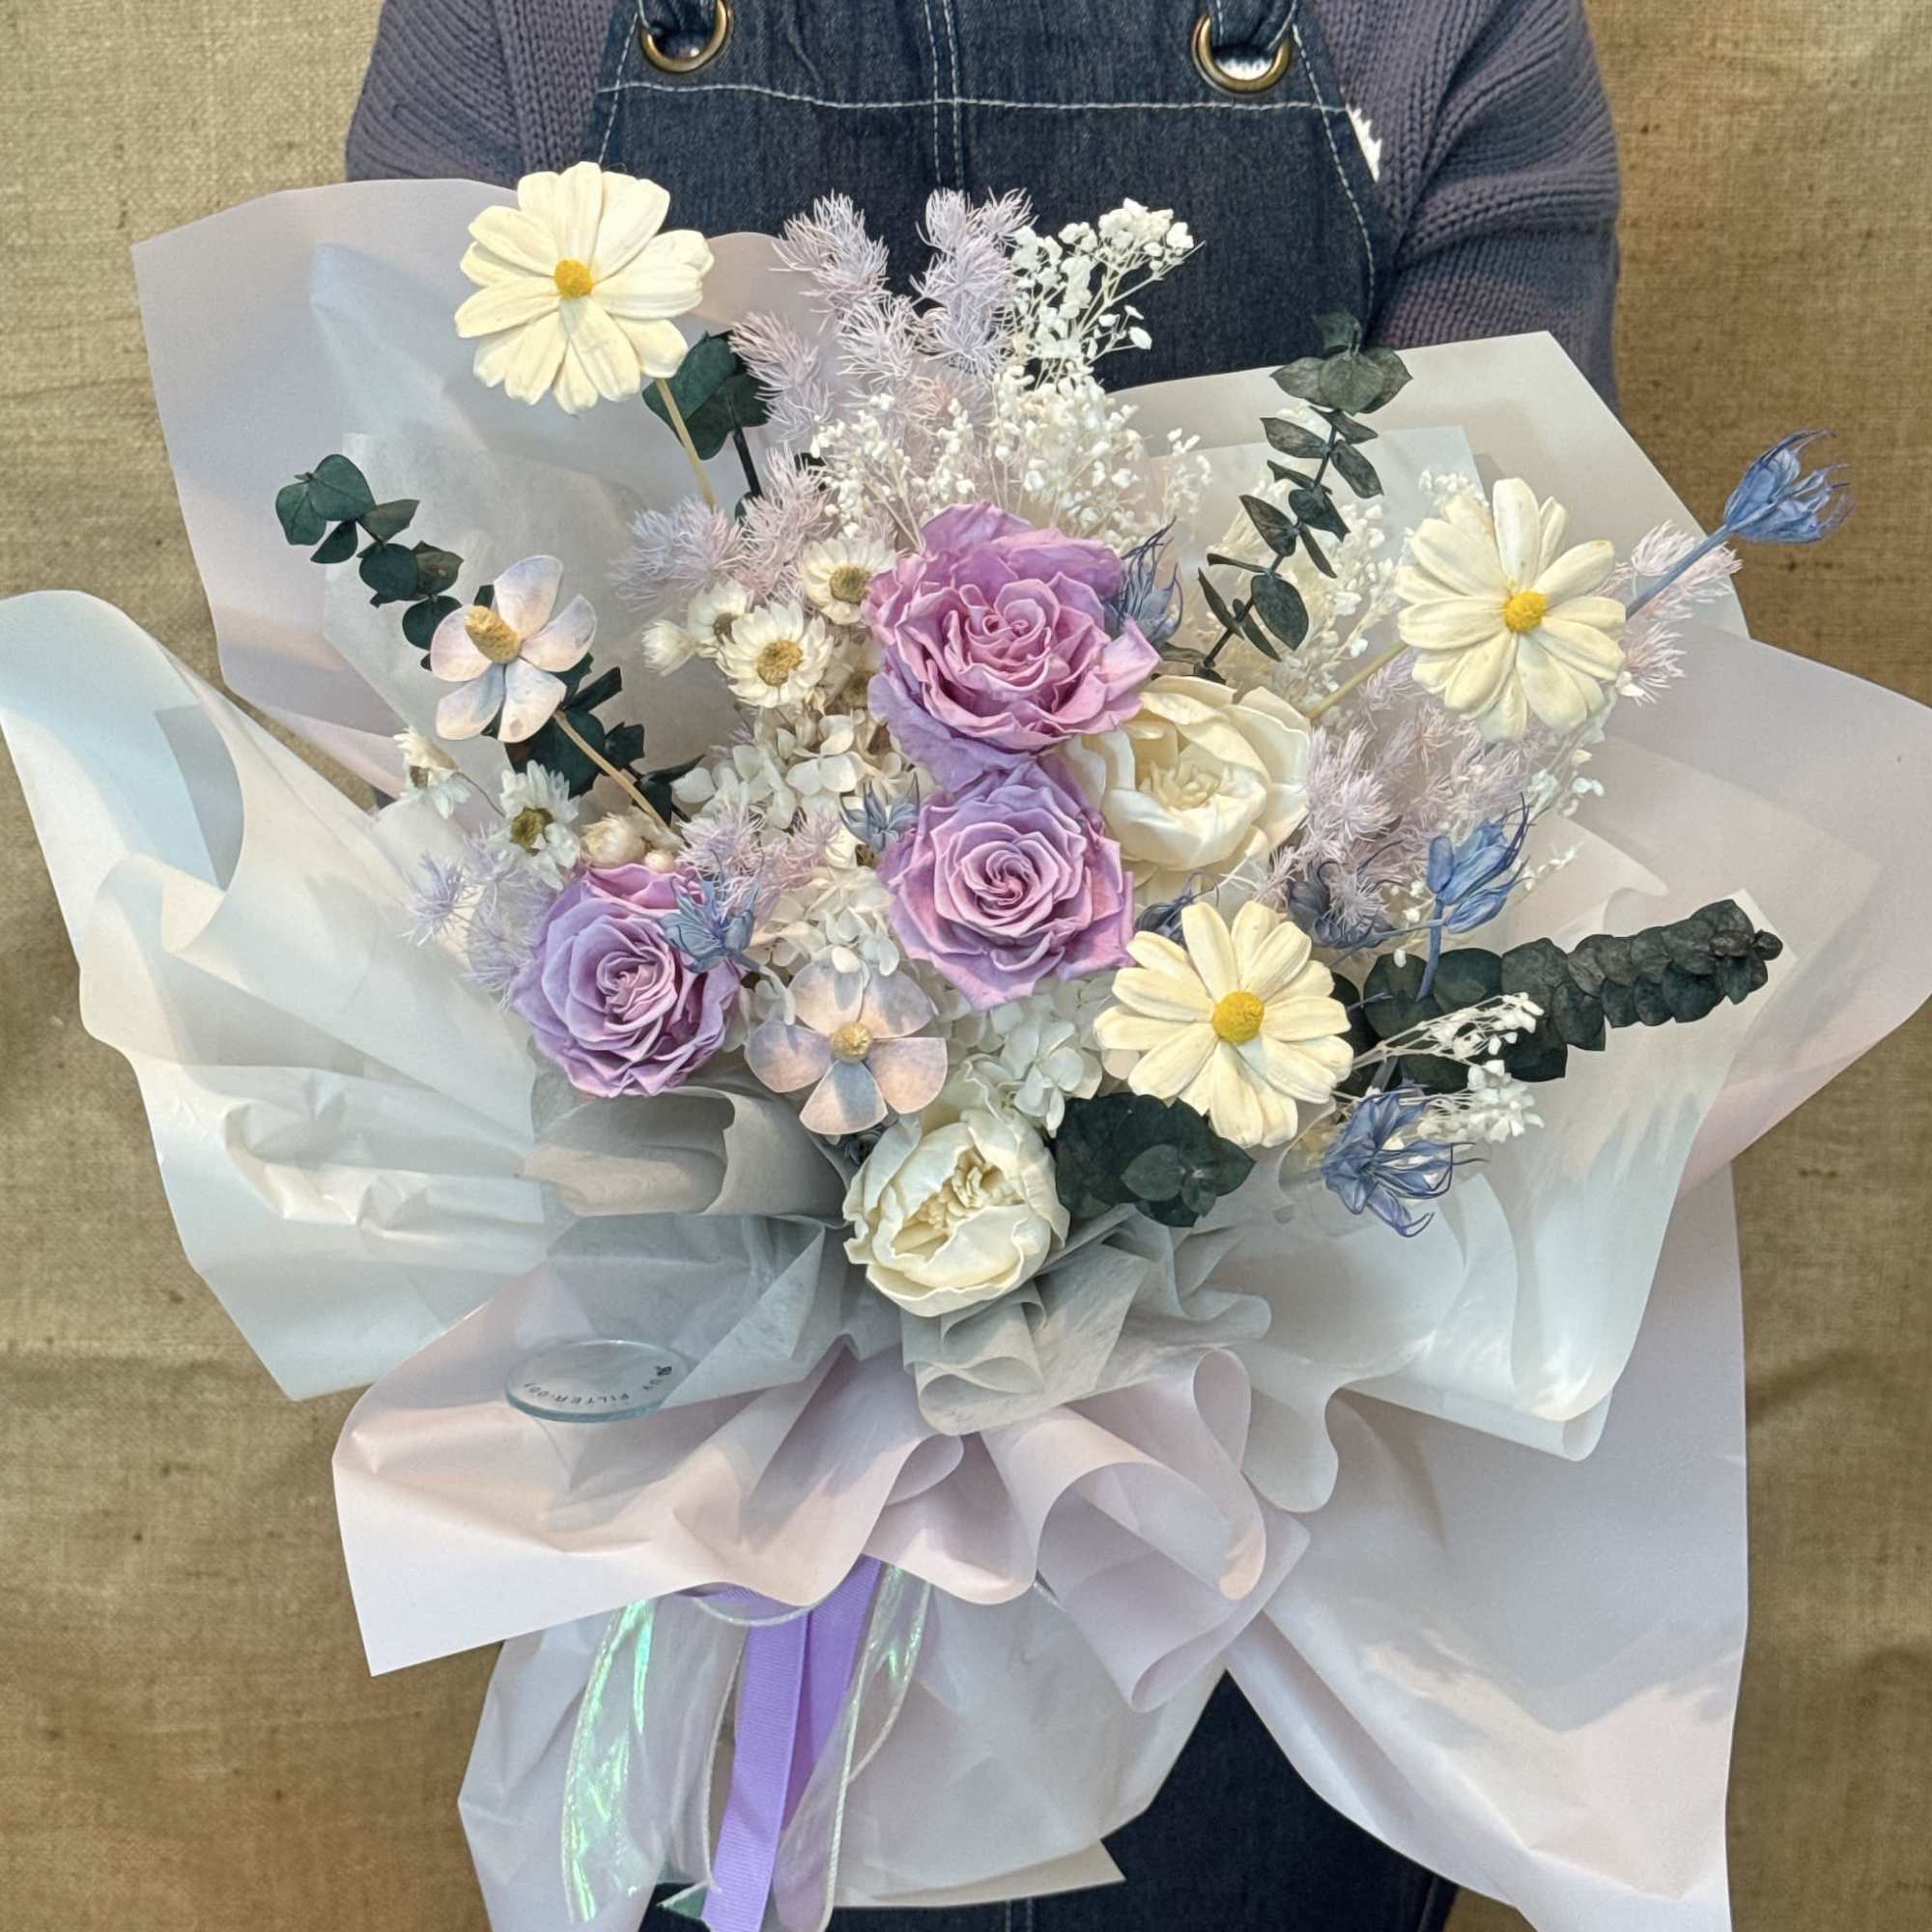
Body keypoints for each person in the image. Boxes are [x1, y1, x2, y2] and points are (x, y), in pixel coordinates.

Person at [347, 7, 1621, 1926]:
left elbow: (1496, 699)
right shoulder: (518, 27)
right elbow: (433, 682)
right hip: (727, 1461)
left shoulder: (1433, 31)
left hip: (1228, 1510)